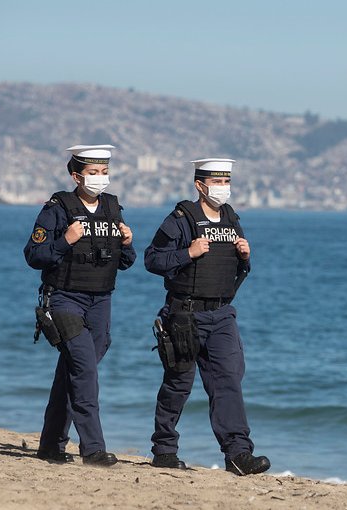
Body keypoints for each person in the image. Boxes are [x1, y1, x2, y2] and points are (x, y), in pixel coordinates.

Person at [144, 158, 270, 476]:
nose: (223, 188)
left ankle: (239, 454)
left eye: (227, 182)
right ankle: (164, 450)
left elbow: (236, 271)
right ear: (200, 185)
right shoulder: (181, 219)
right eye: (217, 182)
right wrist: (188, 253)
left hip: (221, 315)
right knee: (178, 384)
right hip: (184, 315)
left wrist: (244, 256)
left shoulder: (230, 218)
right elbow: (152, 259)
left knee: (229, 381)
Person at [24, 144, 136, 466]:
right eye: (93, 173)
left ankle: (50, 445)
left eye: (105, 173)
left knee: (74, 372)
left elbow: (125, 262)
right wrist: (65, 240)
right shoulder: (57, 208)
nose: (101, 179)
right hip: (64, 298)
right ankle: (93, 449)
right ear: (76, 176)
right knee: (85, 371)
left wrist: (127, 244)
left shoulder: (113, 209)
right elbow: (34, 255)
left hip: (101, 301)